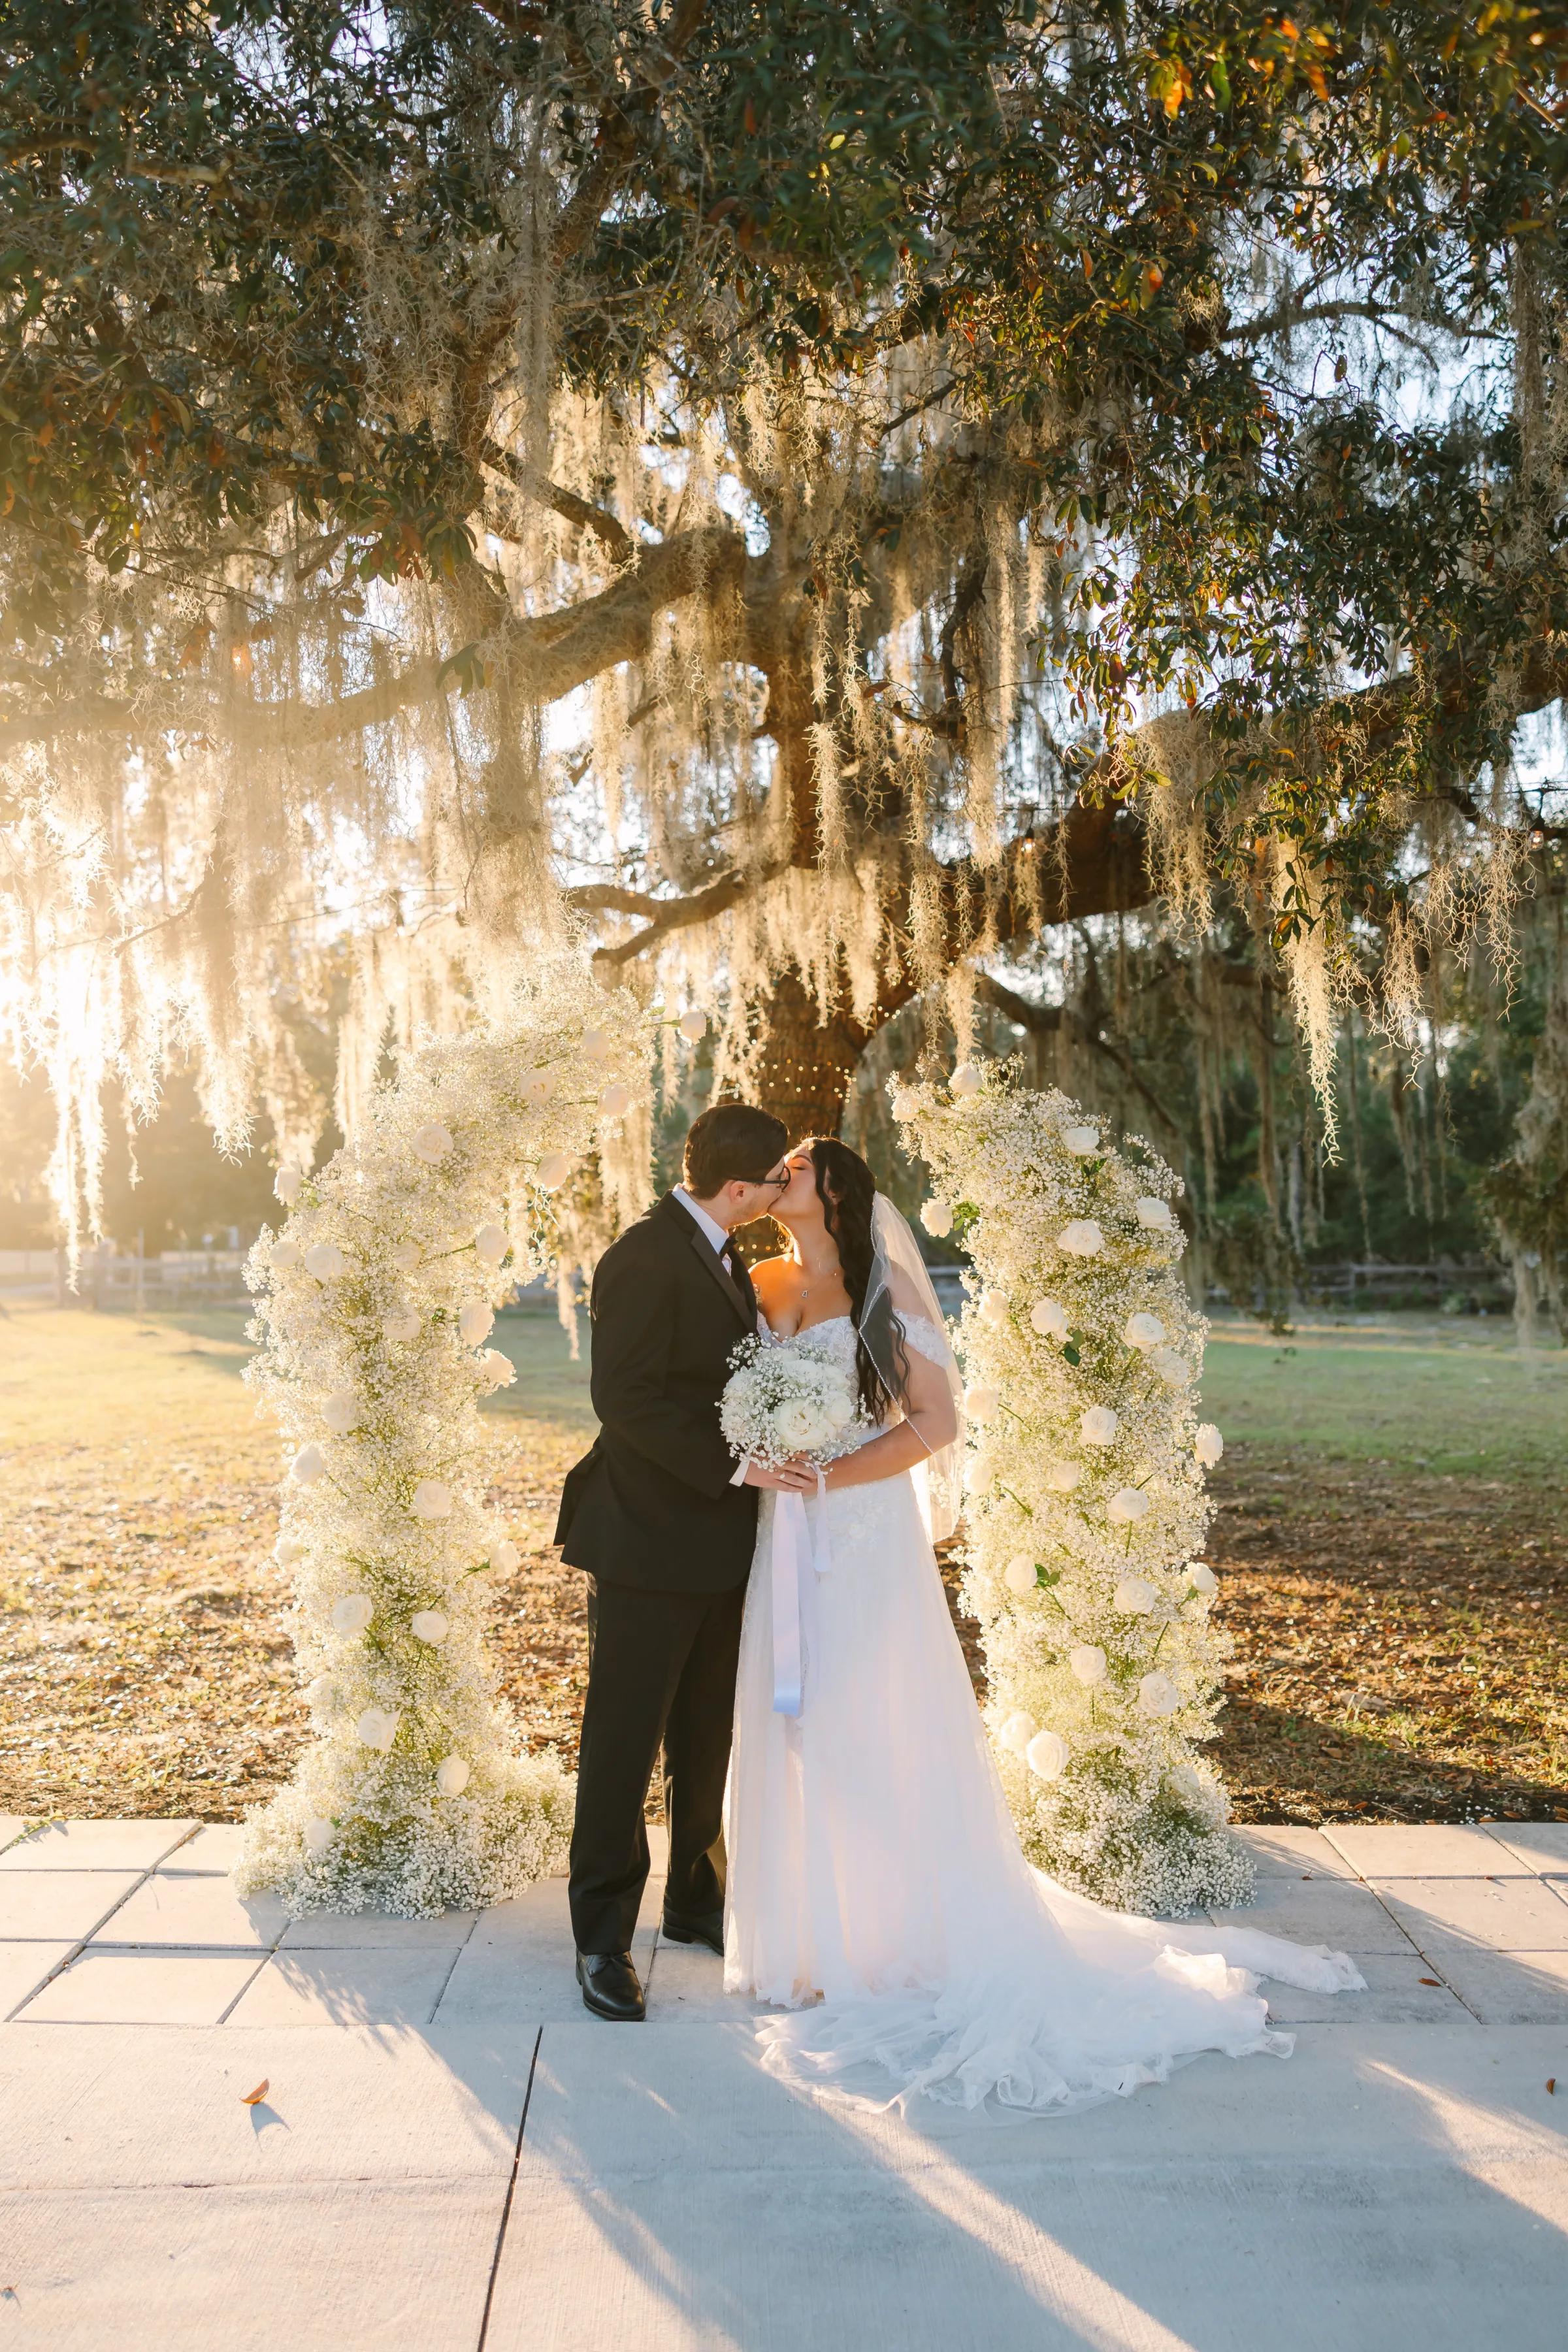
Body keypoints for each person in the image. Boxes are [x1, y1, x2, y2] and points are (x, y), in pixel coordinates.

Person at [722, 1136, 1363, 2114]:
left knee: (869, 1717)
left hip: (857, 1531)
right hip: (785, 1528)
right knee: (793, 1716)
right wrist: (767, 1450)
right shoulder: (760, 1279)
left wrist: (827, 1472)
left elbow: (935, 1423)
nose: (782, 1170)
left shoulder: (883, 1286)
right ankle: (804, 1935)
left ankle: (884, 1936)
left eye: (800, 1163)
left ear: (837, 1191)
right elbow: (743, 1396)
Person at [554, 1101, 813, 2023]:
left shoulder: (726, 1253)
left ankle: (697, 1903)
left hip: (721, 1538)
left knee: (706, 1737)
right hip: (645, 1539)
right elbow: (623, 1399)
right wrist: (736, 1461)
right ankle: (600, 1942)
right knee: (623, 1743)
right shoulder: (642, 1255)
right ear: (740, 1190)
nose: (785, 1188)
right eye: (777, 1178)